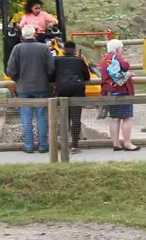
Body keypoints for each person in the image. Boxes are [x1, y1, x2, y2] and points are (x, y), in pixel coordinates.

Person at [6, 25, 54, 153]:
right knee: (42, 116)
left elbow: (10, 70)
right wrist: (45, 78)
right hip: (42, 87)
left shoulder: (17, 49)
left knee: (26, 117)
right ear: (35, 34)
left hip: (23, 88)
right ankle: (43, 146)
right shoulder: (44, 48)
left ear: (22, 36)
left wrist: (18, 80)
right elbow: (51, 69)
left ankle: (28, 146)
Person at [99, 39, 140, 152]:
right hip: (121, 91)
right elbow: (125, 66)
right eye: (121, 48)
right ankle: (127, 143)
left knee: (115, 119)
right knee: (127, 118)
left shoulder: (105, 59)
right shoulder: (116, 57)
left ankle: (116, 143)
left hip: (109, 91)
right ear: (117, 49)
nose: (122, 50)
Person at [54, 40, 91, 153]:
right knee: (76, 118)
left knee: (64, 117)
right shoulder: (79, 61)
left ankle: (63, 143)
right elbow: (87, 76)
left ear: (63, 50)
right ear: (74, 50)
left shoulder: (57, 60)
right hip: (77, 90)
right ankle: (74, 145)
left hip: (62, 89)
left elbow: (51, 75)